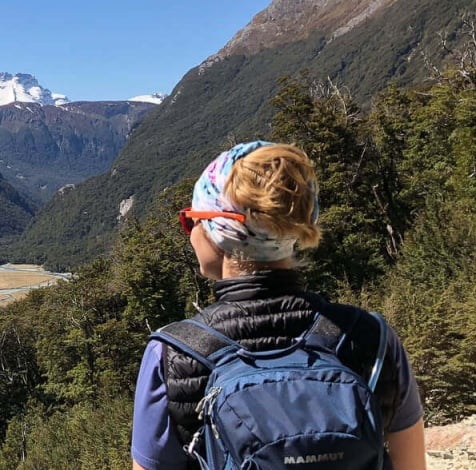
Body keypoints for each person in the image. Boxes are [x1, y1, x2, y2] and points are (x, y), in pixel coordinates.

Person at [130, 141, 427, 469]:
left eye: (191, 221)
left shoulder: (173, 354)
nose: (190, 234)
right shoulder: (373, 337)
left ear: (219, 231)